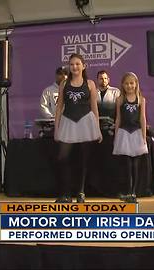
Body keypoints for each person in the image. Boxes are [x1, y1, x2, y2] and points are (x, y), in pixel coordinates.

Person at [54, 53, 102, 203]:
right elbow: (59, 107)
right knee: (63, 158)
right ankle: (65, 193)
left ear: (83, 66)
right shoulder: (64, 84)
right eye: (72, 64)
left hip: (86, 123)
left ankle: (80, 192)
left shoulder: (90, 84)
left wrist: (98, 129)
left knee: (83, 159)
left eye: (77, 64)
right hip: (68, 122)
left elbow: (94, 108)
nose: (74, 67)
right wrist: (56, 129)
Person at [113, 72, 148, 203]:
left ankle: (134, 192)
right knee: (127, 164)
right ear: (123, 84)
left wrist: (144, 136)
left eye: (132, 83)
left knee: (135, 164)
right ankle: (127, 190)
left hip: (137, 133)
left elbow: (142, 118)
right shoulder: (120, 100)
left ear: (136, 84)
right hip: (124, 133)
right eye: (127, 83)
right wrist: (116, 136)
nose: (129, 86)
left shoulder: (141, 100)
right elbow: (118, 118)